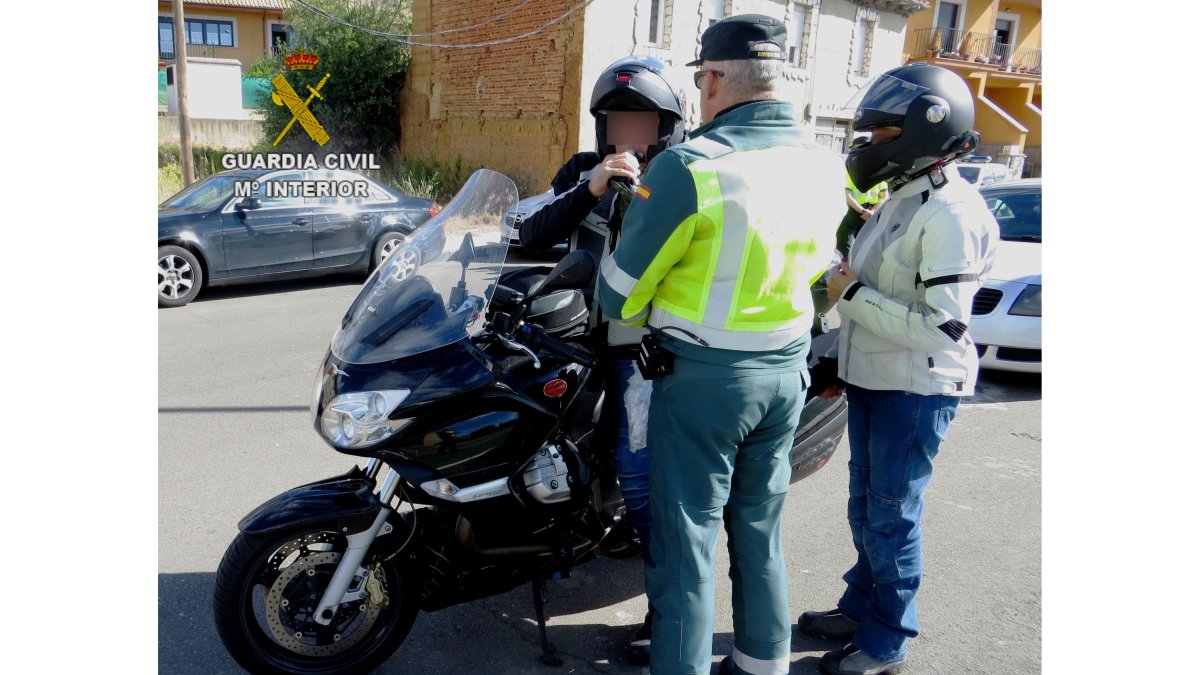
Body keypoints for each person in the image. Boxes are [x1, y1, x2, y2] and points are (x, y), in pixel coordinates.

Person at [597, 15, 844, 675]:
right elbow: (825, 278)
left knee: (687, 551)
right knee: (759, 534)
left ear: (710, 80)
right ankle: (764, 664)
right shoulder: (825, 165)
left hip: (703, 383)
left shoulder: (689, 165)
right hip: (785, 372)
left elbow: (617, 295)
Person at [797, 63, 1000, 675]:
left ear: (922, 131)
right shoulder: (901, 198)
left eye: (882, 134)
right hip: (874, 375)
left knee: (892, 513)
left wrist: (851, 294)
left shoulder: (951, 215)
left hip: (916, 386)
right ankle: (861, 606)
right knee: (867, 505)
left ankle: (888, 640)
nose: (867, 146)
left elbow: (943, 326)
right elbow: (858, 279)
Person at [518, 55, 686, 665]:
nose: (628, 132)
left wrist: (636, 185)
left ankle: (664, 608)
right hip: (573, 343)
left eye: (640, 120)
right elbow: (530, 234)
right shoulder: (585, 169)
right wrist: (589, 188)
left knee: (641, 474)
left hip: (642, 352)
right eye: (618, 120)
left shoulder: (680, 174)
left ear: (666, 124)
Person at [835, 166, 888, 259]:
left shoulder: (852, 170)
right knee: (856, 246)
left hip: (859, 211)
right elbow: (883, 197)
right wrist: (870, 212)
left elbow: (848, 196)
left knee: (850, 246)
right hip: (866, 213)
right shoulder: (881, 170)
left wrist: (868, 212)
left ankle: (844, 265)